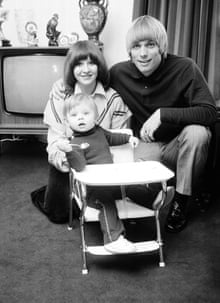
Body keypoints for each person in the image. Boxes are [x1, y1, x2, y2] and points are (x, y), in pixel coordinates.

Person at [50, 16, 217, 233]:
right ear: (129, 51)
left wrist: (162, 114)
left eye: (150, 45)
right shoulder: (120, 73)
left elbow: (210, 112)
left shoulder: (185, 67)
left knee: (198, 133)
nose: (143, 53)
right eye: (136, 46)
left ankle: (181, 203)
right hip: (146, 145)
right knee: (135, 188)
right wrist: (65, 84)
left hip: (180, 144)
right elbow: (92, 79)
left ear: (162, 47)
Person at [42, 40, 132, 223]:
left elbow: (118, 141)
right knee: (60, 215)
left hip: (102, 164)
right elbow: (55, 140)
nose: (85, 70)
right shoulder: (60, 95)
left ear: (99, 66)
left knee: (115, 207)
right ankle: (47, 193)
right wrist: (60, 160)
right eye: (79, 64)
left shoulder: (114, 99)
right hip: (72, 161)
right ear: (71, 68)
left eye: (91, 63)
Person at [57, 93, 139, 253]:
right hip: (93, 190)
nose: (80, 118)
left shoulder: (99, 131)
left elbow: (112, 137)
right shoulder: (75, 143)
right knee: (107, 203)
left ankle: (154, 199)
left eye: (85, 114)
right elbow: (79, 166)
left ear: (95, 116)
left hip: (112, 182)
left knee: (134, 187)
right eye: (74, 115)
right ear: (67, 121)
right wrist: (69, 151)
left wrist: (128, 139)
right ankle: (112, 239)